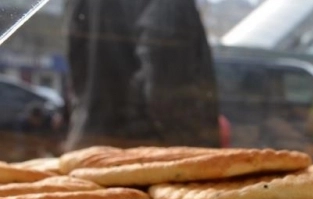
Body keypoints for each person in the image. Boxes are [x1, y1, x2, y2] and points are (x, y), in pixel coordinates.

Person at [64, 0, 220, 151]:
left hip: (89, 141)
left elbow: (76, 65)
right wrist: (197, 154)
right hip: (145, 153)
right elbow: (166, 82)